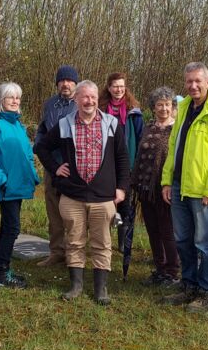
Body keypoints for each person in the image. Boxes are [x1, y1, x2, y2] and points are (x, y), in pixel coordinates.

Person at [35, 80, 129, 305]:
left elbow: (123, 159)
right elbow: (41, 147)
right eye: (85, 97)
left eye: (93, 97)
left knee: (102, 243)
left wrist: (122, 188)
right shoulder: (65, 123)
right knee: (74, 242)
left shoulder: (112, 124)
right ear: (77, 99)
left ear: (98, 98)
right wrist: (56, 169)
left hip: (103, 196)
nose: (89, 101)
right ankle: (76, 286)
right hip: (72, 196)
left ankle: (100, 289)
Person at [160, 63, 208, 313]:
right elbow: (173, 146)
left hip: (203, 190)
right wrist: (167, 181)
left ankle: (206, 292)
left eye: (197, 81)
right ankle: (188, 285)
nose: (193, 86)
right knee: (183, 240)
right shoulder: (182, 108)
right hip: (180, 185)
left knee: (204, 243)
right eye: (189, 81)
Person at [0, 82, 39, 289]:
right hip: (6, 186)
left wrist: (33, 175)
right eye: (10, 97)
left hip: (20, 183)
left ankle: (3, 270)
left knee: (9, 227)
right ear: (1, 100)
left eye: (17, 98)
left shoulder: (18, 125)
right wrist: (0, 180)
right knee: (12, 228)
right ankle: (2, 272)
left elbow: (27, 155)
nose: (14, 101)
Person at [131, 86, 180, 285]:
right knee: (153, 230)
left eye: (167, 104)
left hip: (164, 190)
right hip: (145, 189)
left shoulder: (176, 129)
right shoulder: (148, 127)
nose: (163, 109)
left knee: (167, 231)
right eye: (159, 105)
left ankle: (172, 271)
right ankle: (159, 268)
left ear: (173, 106)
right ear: (153, 107)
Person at [33, 65, 79, 267]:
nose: (65, 84)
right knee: (53, 210)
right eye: (62, 81)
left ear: (76, 83)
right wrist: (38, 145)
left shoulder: (82, 102)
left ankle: (74, 253)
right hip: (52, 164)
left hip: (74, 166)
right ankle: (56, 251)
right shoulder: (50, 104)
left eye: (69, 81)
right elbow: (43, 128)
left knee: (73, 212)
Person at [100, 72, 144, 276]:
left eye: (121, 86)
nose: (118, 89)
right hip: (106, 166)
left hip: (127, 166)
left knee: (124, 206)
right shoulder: (101, 110)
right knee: (106, 205)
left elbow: (141, 140)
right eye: (114, 86)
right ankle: (103, 242)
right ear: (108, 88)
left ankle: (122, 243)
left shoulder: (134, 113)